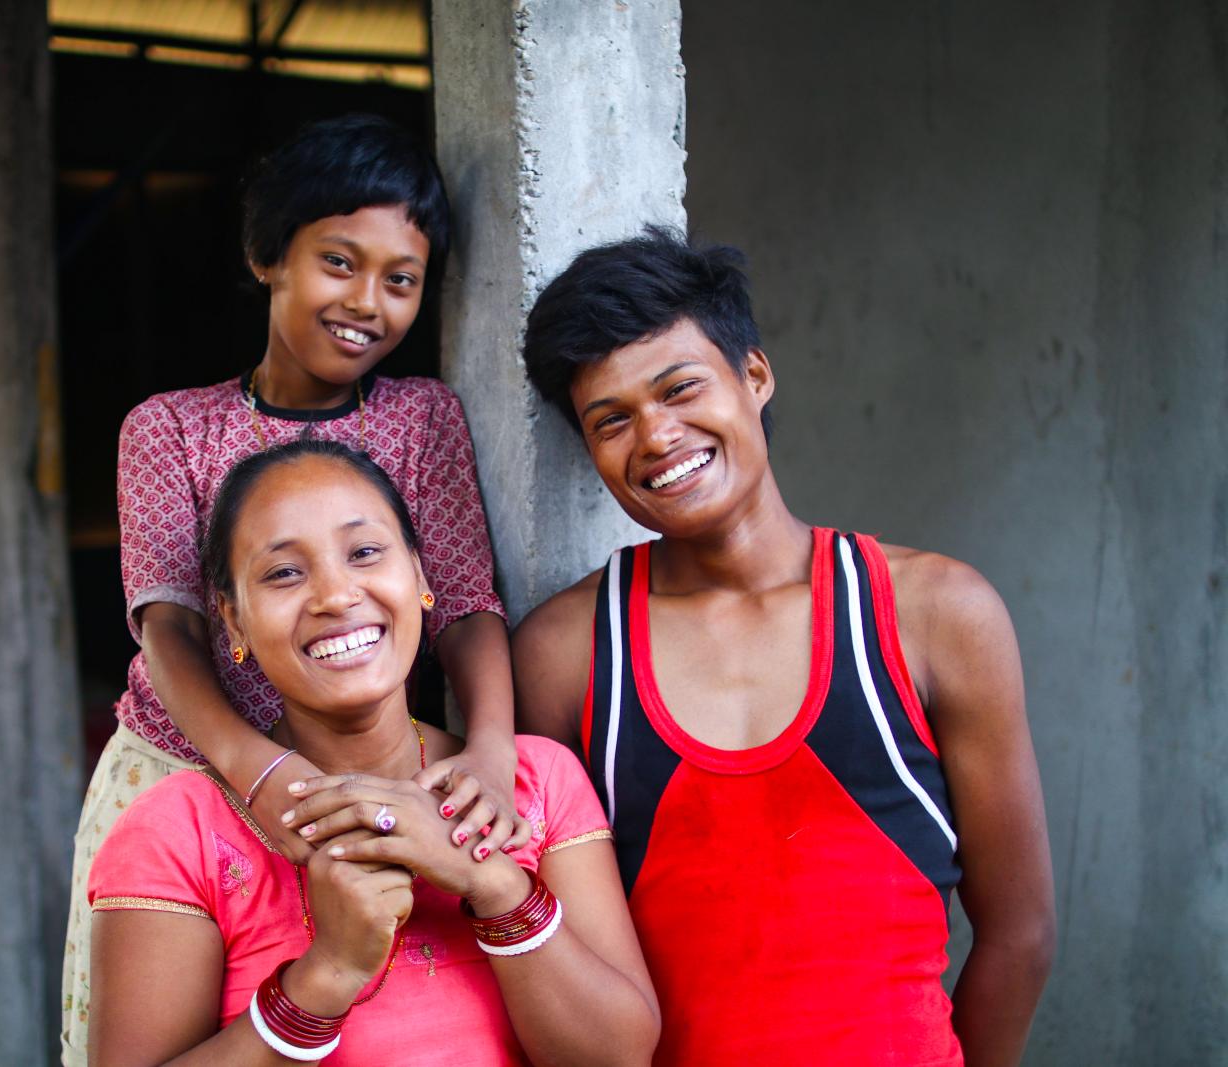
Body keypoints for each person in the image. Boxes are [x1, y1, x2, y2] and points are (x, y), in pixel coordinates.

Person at [513, 228, 1056, 1066]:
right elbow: (559, 961)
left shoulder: (937, 613)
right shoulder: (566, 651)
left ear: (755, 376)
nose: (655, 436)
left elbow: (1020, 932)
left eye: (680, 389)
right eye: (611, 420)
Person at [61, 114, 526, 1063]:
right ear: (268, 258)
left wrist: (490, 747)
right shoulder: (169, 429)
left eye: (401, 279)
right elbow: (170, 628)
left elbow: (467, 602)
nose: (368, 301)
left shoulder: (421, 416)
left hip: (363, 779)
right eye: (337, 262)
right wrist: (255, 768)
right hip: (188, 772)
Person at [86, 440, 658, 1066]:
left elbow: (618, 1055)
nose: (335, 595)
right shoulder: (180, 830)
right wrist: (326, 976)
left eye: (364, 553)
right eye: (283, 572)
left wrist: (493, 885)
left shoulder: (534, 782)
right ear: (235, 623)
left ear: (418, 576)